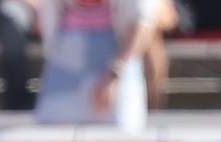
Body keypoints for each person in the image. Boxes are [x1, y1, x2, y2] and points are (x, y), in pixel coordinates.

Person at [34, 0, 160, 133]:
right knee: (52, 140)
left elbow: (143, 22)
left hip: (117, 68)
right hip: (63, 64)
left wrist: (114, 73)